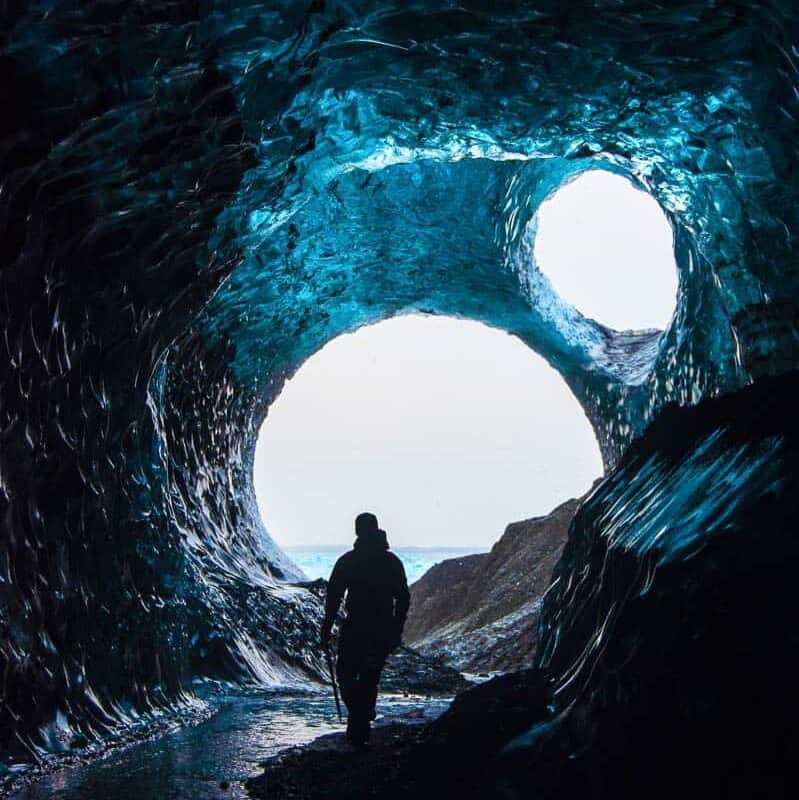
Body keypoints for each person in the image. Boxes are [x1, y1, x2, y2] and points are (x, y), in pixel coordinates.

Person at [320, 512, 410, 746]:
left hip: (361, 626)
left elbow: (334, 598)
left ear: (358, 531)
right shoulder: (390, 561)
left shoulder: (350, 560)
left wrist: (326, 628)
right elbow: (403, 598)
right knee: (364, 677)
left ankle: (359, 718)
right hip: (376, 628)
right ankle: (362, 716)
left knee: (349, 676)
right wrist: (396, 628)